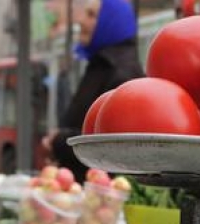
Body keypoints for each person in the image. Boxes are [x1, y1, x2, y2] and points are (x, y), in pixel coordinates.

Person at [43, 0, 143, 181]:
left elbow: (112, 144)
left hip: (102, 193)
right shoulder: (100, 65)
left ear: (111, 21)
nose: (81, 21)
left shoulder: (122, 73)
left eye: (92, 15)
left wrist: (59, 140)